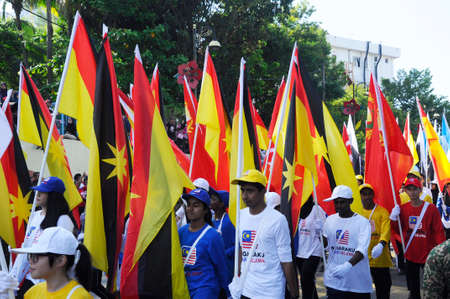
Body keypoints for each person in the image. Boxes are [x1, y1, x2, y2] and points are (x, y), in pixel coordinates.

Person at [230, 169, 299, 299]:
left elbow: (286, 260)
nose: (244, 196)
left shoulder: (277, 220)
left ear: (262, 192)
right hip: (245, 289)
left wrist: (294, 292)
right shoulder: (241, 215)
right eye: (243, 190)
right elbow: (242, 248)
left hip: (270, 292)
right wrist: (237, 276)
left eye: (250, 191)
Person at [11, 176, 76, 297]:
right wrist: (14, 277)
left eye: (43, 192)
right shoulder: (35, 215)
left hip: (47, 281)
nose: (38, 194)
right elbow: (27, 246)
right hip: (30, 276)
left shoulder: (63, 220)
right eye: (37, 190)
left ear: (53, 195)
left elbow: (61, 253)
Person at [390, 177, 446, 299]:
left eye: (415, 189)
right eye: (409, 189)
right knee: (413, 289)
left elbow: (438, 231)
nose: (412, 192)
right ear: (405, 191)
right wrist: (393, 218)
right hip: (411, 254)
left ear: (420, 190)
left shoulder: (431, 209)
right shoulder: (403, 209)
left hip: (429, 254)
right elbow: (395, 230)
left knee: (433, 287)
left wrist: (441, 252)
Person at [11, 227, 92, 298]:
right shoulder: (32, 292)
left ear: (60, 260)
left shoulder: (79, 296)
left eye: (36, 256)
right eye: (30, 255)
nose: (30, 261)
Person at [178, 188, 231, 299]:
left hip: (205, 290)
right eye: (189, 205)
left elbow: (222, 267)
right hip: (183, 288)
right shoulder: (181, 232)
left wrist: (226, 292)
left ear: (205, 210)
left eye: (196, 205)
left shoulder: (213, 236)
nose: (190, 209)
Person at [322, 185, 372, 298]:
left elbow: (362, 249)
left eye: (342, 202)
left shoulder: (362, 222)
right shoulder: (330, 220)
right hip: (334, 281)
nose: (338, 206)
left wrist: (347, 266)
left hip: (357, 284)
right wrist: (318, 233)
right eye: (336, 202)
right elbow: (324, 245)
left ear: (351, 201)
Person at [359, 184, 392, 299]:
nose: (367, 197)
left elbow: (386, 231)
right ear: (360, 196)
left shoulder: (382, 212)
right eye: (363, 194)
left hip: (380, 258)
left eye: (369, 194)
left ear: (373, 195)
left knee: (383, 288)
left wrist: (381, 244)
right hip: (362, 259)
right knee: (362, 290)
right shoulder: (357, 213)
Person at [295, 197, 326, 299]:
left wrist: (321, 228)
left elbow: (326, 232)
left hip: (314, 250)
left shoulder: (317, 209)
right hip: (300, 251)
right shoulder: (298, 209)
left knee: (305, 278)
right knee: (308, 281)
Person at [210, 190, 235, 273]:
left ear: (222, 204)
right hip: (212, 265)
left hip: (225, 267)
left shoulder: (228, 222)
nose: (210, 201)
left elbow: (237, 246)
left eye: (214, 199)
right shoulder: (210, 220)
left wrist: (223, 253)